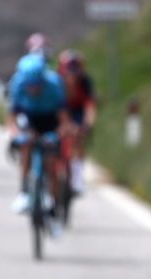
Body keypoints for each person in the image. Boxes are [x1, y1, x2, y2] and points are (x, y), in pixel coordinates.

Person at [6, 53, 70, 216]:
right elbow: (12, 119)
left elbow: (64, 120)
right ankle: (24, 191)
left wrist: (57, 135)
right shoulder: (17, 84)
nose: (33, 89)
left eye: (37, 85)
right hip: (29, 118)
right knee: (26, 147)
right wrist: (15, 135)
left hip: (50, 119)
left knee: (51, 160)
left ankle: (53, 200)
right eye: (30, 86)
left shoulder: (54, 85)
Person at [57, 50, 97, 196]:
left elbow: (90, 106)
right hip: (60, 110)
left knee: (78, 140)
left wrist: (87, 125)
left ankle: (78, 179)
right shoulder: (57, 82)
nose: (71, 77)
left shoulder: (85, 82)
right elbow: (58, 107)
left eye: (75, 71)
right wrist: (65, 125)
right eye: (68, 72)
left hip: (78, 111)